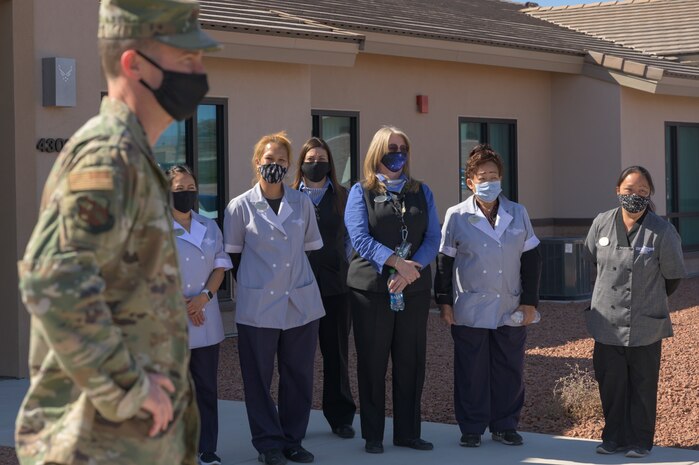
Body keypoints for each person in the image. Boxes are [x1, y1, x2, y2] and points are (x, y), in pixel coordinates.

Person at [15, 1, 219, 464]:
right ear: (133, 64)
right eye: (185, 58)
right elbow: (54, 282)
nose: (199, 70)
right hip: (97, 445)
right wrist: (131, 390)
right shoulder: (109, 158)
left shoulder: (136, 159)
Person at [223, 132, 324, 465]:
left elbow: (310, 249)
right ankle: (268, 444)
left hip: (299, 302)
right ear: (257, 162)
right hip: (259, 305)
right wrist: (258, 284)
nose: (275, 166)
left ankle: (292, 440)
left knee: (298, 375)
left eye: (282, 161)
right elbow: (234, 258)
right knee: (258, 377)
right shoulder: (239, 207)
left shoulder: (302, 202)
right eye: (269, 160)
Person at [434, 143, 542, 449]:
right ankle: (471, 427)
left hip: (510, 303)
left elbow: (532, 258)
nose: (489, 181)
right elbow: (444, 262)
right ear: (470, 182)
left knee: (509, 366)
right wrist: (443, 301)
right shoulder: (456, 215)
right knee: (471, 369)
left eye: (493, 175)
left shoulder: (518, 213)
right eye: (482, 176)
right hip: (470, 305)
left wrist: (530, 301)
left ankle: (505, 425)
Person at [344, 126, 440, 454]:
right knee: (372, 362)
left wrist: (410, 272)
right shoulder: (361, 192)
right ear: (377, 152)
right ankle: (373, 434)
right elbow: (359, 237)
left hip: (412, 289)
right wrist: (395, 264)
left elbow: (432, 238)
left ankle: (408, 433)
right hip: (371, 290)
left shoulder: (421, 191)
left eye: (402, 147)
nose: (397, 152)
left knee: (410, 360)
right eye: (390, 147)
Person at [584, 165, 685, 459]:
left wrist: (648, 299)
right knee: (611, 382)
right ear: (617, 191)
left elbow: (673, 276)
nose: (635, 196)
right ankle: (612, 437)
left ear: (650, 195)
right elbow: (593, 256)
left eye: (642, 191)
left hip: (646, 322)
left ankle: (640, 441)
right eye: (629, 190)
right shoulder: (601, 223)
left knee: (642, 384)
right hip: (606, 321)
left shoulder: (663, 231)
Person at [291, 137, 357, 439]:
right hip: (297, 288)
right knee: (296, 357)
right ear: (301, 163)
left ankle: (341, 416)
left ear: (330, 163)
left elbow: (351, 239)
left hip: (336, 288)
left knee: (337, 355)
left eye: (322, 158)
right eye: (311, 158)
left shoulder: (344, 195)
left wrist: (344, 265)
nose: (316, 163)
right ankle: (293, 419)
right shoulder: (289, 196)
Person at [167, 164, 232, 465]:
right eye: (179, 190)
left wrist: (202, 299)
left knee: (206, 387)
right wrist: (183, 304)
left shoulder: (210, 226)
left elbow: (220, 265)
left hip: (205, 318)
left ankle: (208, 449)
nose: (186, 194)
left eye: (190, 189)